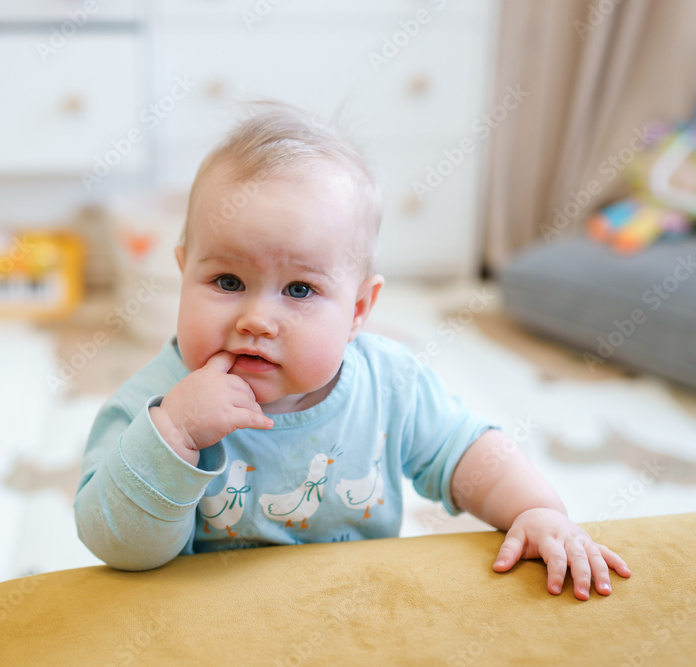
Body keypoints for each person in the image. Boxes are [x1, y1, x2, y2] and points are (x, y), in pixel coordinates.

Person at [74, 102, 630, 600]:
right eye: (226, 281)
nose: (256, 319)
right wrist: (176, 435)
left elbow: (466, 452)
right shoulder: (154, 403)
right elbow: (117, 545)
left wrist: (534, 510)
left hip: (354, 610)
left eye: (300, 290)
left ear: (359, 310)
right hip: (214, 627)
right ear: (182, 273)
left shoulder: (390, 384)